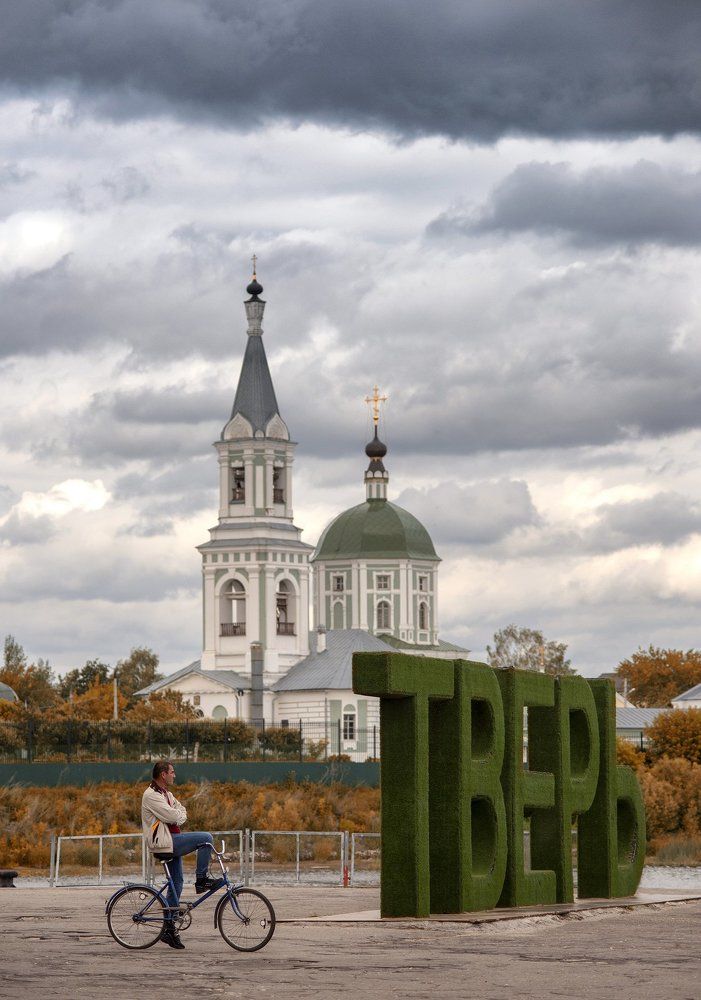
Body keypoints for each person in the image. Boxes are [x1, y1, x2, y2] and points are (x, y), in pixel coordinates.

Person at [142, 760, 222, 950]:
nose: (174, 775)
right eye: (172, 772)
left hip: (172, 840)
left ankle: (169, 929)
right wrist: (176, 815)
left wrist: (177, 815)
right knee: (206, 838)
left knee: (176, 882)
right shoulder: (151, 795)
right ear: (163, 774)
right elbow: (172, 816)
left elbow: (182, 812)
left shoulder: (167, 794)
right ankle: (202, 880)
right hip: (165, 843)